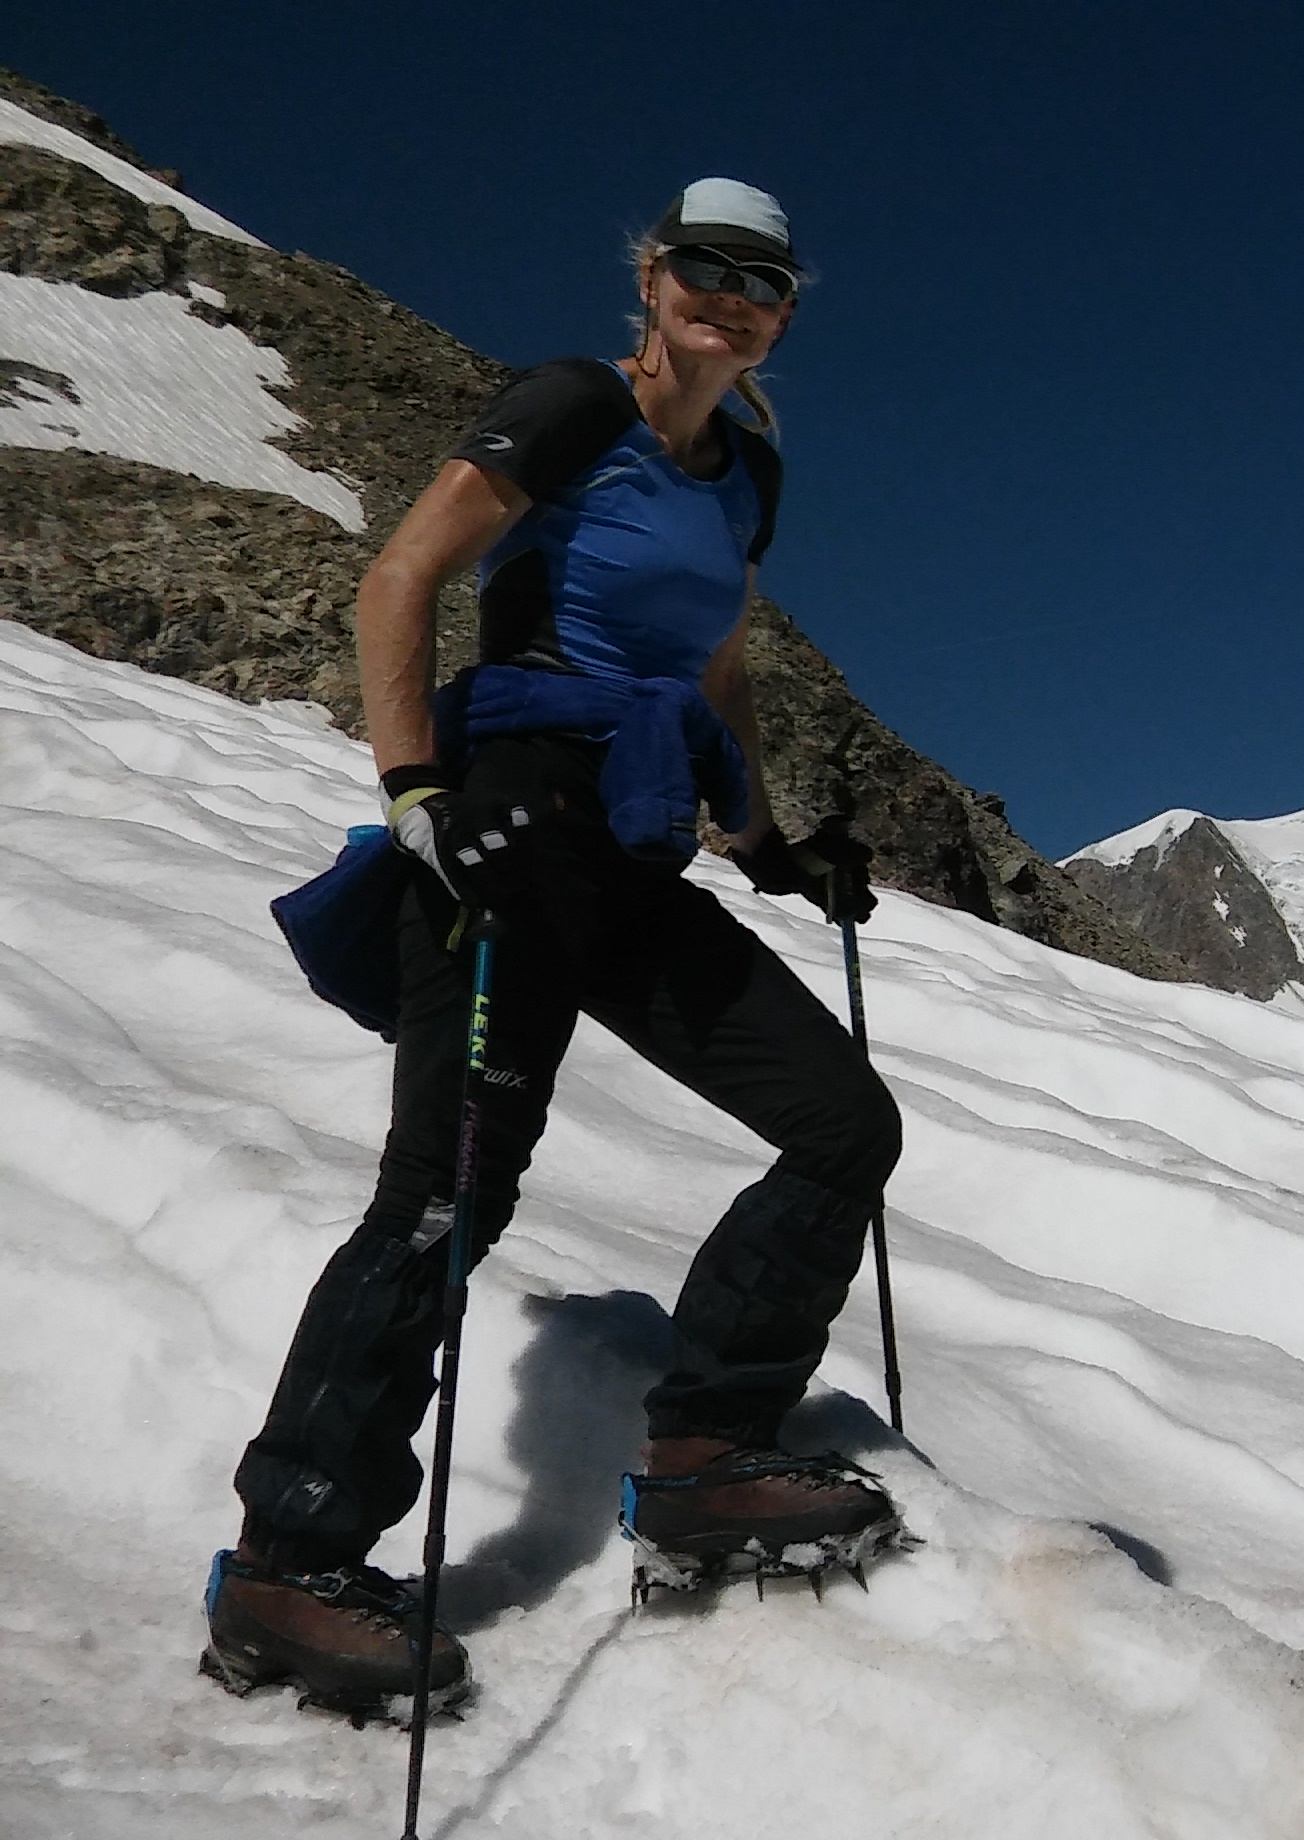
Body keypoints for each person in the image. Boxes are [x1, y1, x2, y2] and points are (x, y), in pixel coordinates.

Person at [204, 180, 902, 1719]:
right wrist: (414, 797)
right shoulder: (576, 406)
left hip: (640, 845)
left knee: (844, 1121)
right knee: (446, 1198)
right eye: (705, 271)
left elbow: (716, 663)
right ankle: (284, 1562)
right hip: (516, 828)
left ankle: (709, 1453)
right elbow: (405, 575)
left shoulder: (748, 472)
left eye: (764, 283)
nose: (732, 298)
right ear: (652, 279)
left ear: (787, 309)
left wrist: (769, 842)